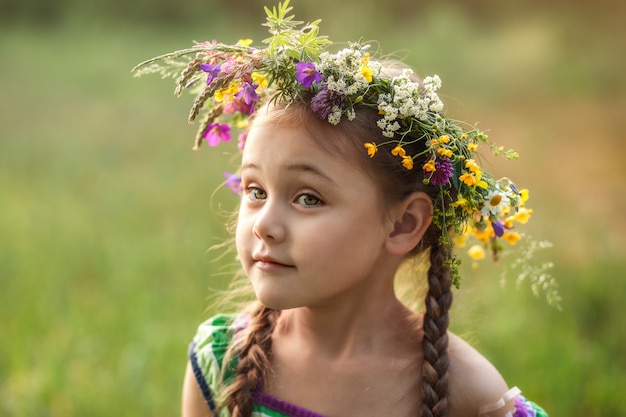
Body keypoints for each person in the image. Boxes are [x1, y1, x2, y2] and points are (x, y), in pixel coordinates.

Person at [134, 2, 550, 416]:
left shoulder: (469, 393)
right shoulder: (221, 361)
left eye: (308, 198)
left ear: (403, 224)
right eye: (255, 190)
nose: (264, 225)